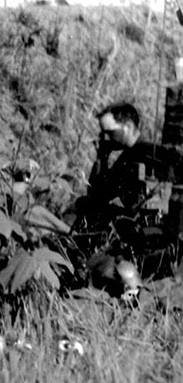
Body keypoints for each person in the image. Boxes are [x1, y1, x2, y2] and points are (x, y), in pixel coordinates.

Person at [74, 101, 182, 277]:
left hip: (148, 236)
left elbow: (99, 196)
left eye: (110, 132)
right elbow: (98, 194)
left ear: (129, 127)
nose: (106, 138)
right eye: (103, 134)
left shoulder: (149, 153)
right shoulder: (127, 156)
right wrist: (102, 156)